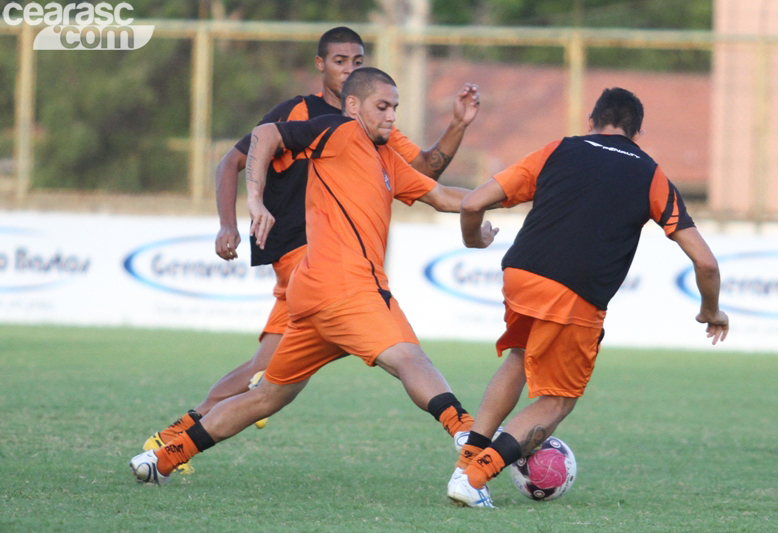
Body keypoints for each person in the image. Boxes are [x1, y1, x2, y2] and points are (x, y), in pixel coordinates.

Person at [142, 26, 481, 472]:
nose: (349, 69)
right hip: (316, 263)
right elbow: (244, 151)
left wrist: (467, 139)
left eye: (357, 61)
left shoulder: (378, 139)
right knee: (401, 354)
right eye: (340, 61)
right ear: (322, 66)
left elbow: (429, 178)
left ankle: (166, 449)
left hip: (313, 277)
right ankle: (468, 432)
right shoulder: (319, 119)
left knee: (264, 380)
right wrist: (240, 214)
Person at [445, 87, 730, 508]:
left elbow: (472, 204)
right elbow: (705, 263)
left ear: (591, 121)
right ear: (638, 132)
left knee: (521, 357)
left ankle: (465, 462)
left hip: (520, 273)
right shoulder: (650, 174)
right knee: (558, 400)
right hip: (575, 293)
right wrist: (711, 310)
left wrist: (475, 241)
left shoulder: (559, 149)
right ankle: (474, 477)